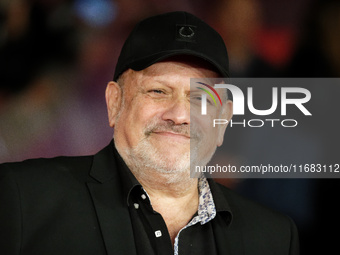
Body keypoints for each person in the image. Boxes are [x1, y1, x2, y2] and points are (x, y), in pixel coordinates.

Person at [0, 11, 299, 255]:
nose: (181, 116)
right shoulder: (22, 200)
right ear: (114, 102)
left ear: (222, 121)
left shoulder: (274, 238)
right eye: (158, 91)